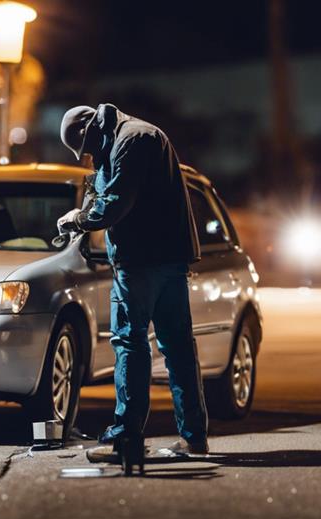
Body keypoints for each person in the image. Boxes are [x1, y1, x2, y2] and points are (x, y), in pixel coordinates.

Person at [56, 103, 208, 460]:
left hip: (140, 261)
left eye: (89, 150)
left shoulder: (131, 139)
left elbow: (115, 204)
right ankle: (194, 438)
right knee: (178, 349)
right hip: (168, 259)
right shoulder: (136, 135)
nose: (91, 157)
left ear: (92, 132)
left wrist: (79, 219)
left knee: (130, 343)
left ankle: (126, 437)